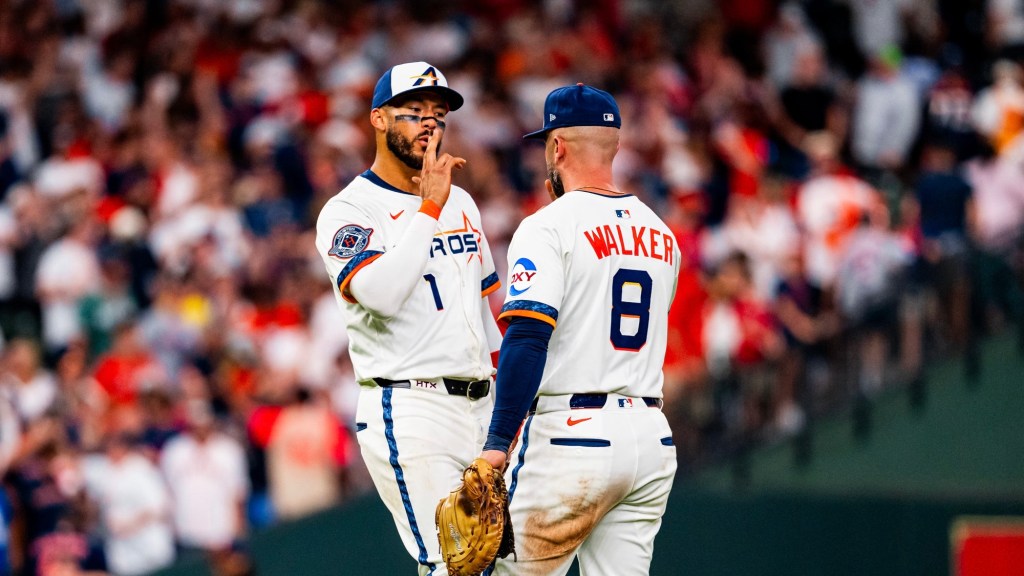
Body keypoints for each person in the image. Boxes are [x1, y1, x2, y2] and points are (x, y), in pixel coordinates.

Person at [480, 84, 681, 575]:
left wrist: (495, 445)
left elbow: (526, 337)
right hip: (650, 439)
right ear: (614, 145)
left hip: (573, 438)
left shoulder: (548, 225)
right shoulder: (663, 232)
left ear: (558, 147)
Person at [314, 61, 502, 575]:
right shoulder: (349, 210)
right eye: (413, 111)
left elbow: (484, 316)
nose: (429, 125)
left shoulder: (461, 202)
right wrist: (429, 210)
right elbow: (381, 293)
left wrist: (508, 411)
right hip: (411, 404)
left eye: (438, 115)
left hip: (481, 407)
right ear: (378, 119)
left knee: (506, 565)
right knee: (454, 563)